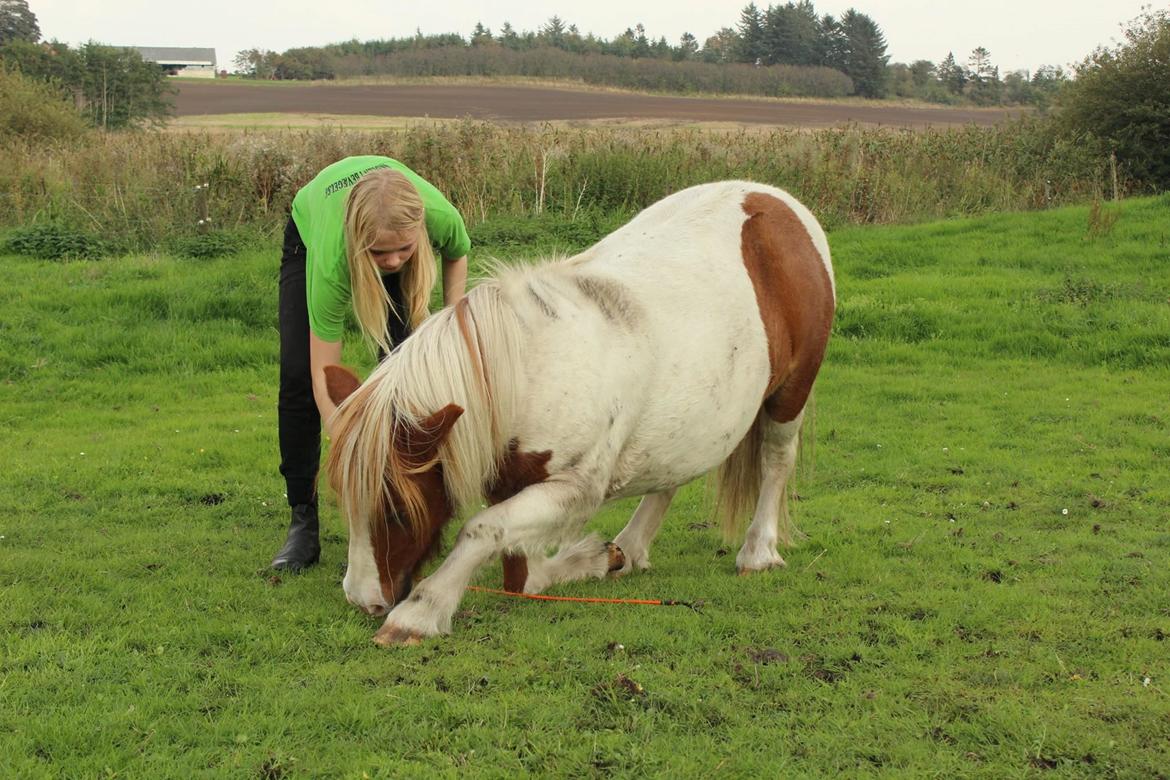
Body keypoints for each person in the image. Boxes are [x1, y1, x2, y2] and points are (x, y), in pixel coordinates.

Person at [271, 156, 470, 571]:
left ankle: (407, 497)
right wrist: (351, 444)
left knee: (403, 368)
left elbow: (458, 252)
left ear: (420, 230)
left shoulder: (438, 216)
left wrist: (451, 328)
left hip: (380, 232)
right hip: (308, 236)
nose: (394, 262)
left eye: (405, 250)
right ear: (362, 242)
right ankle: (303, 522)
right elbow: (322, 375)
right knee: (294, 378)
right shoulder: (332, 260)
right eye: (382, 253)